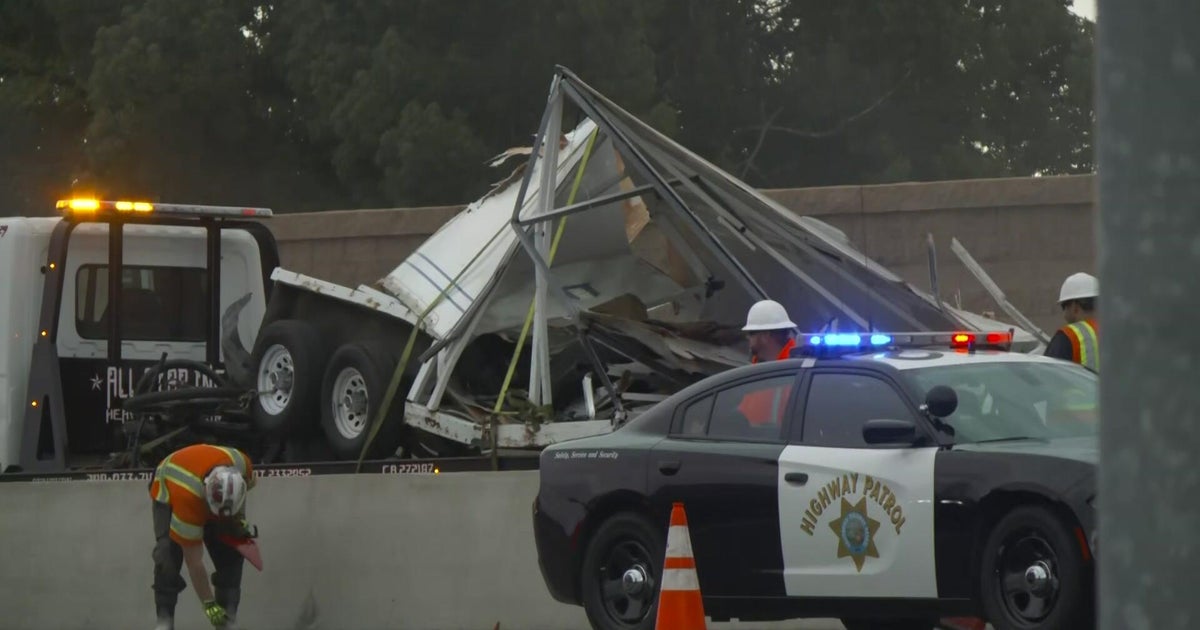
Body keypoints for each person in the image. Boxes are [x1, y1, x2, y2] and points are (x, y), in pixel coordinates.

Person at [149, 443, 256, 630]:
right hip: (169, 488)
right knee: (167, 554)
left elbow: (249, 486)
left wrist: (239, 520)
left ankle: (228, 620)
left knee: (234, 545)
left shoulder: (242, 463)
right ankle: (164, 621)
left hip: (213, 488)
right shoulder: (187, 497)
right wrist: (208, 604)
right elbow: (195, 562)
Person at [738, 300, 798, 426]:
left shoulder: (794, 369)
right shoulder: (760, 368)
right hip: (754, 440)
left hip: (773, 443)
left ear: (765, 335)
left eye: (751, 333)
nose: (747, 338)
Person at [1043, 272, 1100, 373]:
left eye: (1063, 306)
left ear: (1075, 307)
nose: (1064, 313)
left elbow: (1048, 376)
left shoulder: (1069, 335)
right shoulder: (1120, 330)